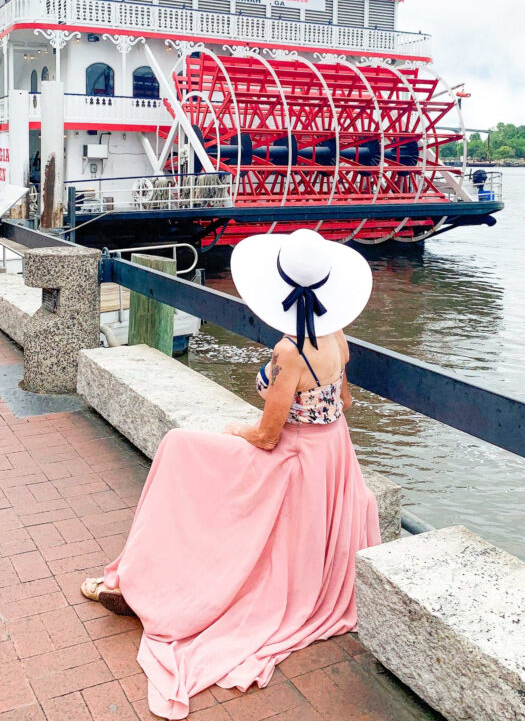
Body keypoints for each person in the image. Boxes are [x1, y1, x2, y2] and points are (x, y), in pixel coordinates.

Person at [81, 228, 381, 719]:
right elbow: (344, 403)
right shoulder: (337, 337)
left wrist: (235, 428)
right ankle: (148, 578)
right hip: (334, 459)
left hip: (296, 463)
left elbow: (267, 436)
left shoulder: (290, 353)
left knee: (182, 449)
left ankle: (147, 582)